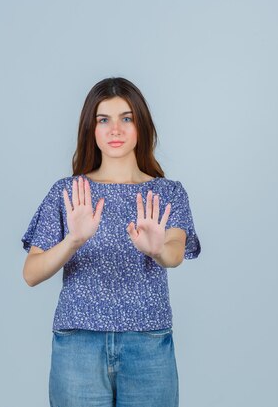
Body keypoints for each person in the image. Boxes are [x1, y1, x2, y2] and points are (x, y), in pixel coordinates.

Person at [21, 77, 201, 407]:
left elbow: (175, 252)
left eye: (126, 118)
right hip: (78, 345)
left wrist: (158, 249)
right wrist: (73, 241)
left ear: (141, 125)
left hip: (148, 343)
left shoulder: (168, 192)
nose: (115, 130)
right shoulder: (68, 192)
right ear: (91, 127)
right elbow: (31, 272)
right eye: (104, 120)